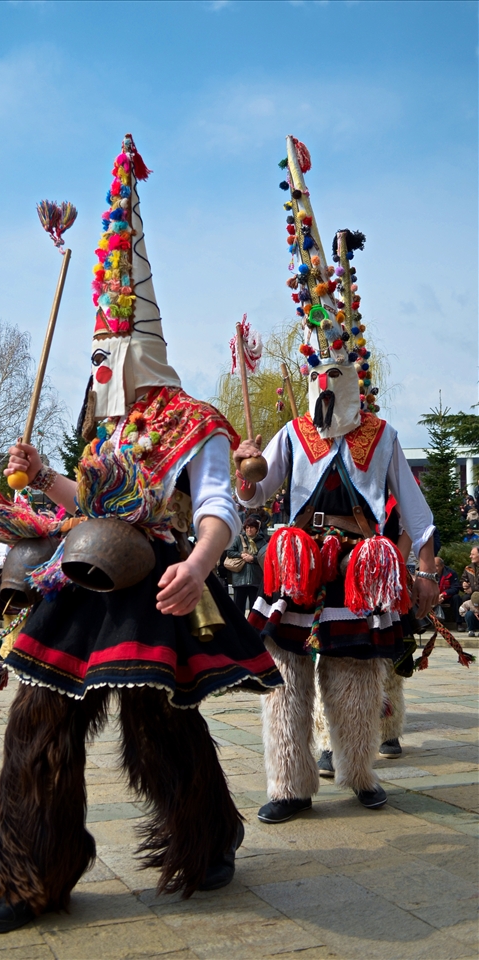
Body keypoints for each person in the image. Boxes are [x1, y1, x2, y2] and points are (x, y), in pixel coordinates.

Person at [0, 135, 283, 935]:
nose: (99, 366)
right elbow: (92, 502)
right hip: (84, 573)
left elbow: (217, 504)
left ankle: (207, 837)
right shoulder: (104, 433)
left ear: (137, 349)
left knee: (160, 724)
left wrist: (203, 562)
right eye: (94, 353)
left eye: (109, 353)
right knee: (39, 717)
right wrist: (44, 479)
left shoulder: (195, 420)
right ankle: (29, 869)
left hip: (160, 579)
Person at [235, 136, 438, 824]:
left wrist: (424, 565)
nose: (327, 384)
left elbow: (412, 509)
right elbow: (257, 496)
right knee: (284, 678)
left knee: (352, 678)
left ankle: (358, 774)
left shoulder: (382, 437)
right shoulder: (292, 432)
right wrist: (248, 473)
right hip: (295, 563)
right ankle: (287, 786)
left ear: (353, 374)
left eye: (338, 372)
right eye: (318, 372)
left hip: (358, 564)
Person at [225, 516, 266, 613]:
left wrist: (253, 559)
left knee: (254, 608)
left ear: (256, 529)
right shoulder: (239, 539)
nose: (249, 530)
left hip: (255, 580)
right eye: (247, 528)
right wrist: (241, 555)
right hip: (240, 579)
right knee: (238, 609)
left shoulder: (262, 541)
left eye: (251, 527)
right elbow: (229, 552)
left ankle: (252, 627)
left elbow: (266, 558)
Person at [434, 556, 461, 626]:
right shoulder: (429, 573)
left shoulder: (451, 573)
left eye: (436, 566)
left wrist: (444, 594)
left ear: (442, 566)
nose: (434, 568)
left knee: (456, 598)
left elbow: (455, 588)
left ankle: (459, 623)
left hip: (447, 596)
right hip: (433, 596)